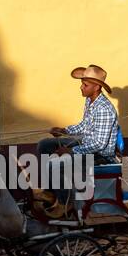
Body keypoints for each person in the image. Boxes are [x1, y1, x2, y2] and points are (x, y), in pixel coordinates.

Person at [35, 65, 118, 212]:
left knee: (54, 166)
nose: (81, 87)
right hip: (86, 143)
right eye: (82, 83)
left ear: (97, 87)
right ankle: (51, 192)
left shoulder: (104, 109)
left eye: (85, 85)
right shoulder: (90, 100)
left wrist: (71, 150)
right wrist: (65, 130)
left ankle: (65, 203)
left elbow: (99, 144)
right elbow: (84, 126)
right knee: (44, 145)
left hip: (100, 155)